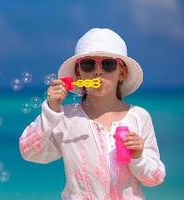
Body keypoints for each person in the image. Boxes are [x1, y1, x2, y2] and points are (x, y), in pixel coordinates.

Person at [19, 28, 165, 200]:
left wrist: (138, 157)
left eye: (108, 64)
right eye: (88, 64)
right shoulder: (66, 118)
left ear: (122, 73)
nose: (98, 71)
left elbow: (155, 178)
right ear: (78, 72)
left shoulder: (139, 117)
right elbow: (28, 151)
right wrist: (51, 109)